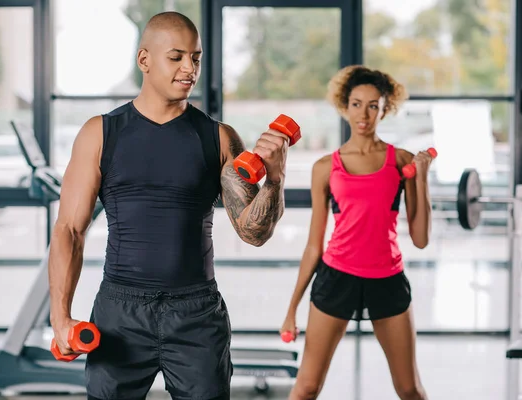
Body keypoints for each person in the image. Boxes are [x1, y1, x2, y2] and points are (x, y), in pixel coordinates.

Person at [48, 11, 291, 400]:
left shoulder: (219, 138)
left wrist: (275, 180)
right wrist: (59, 317)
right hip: (120, 311)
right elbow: (69, 231)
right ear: (144, 60)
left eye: (195, 58)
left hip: (196, 314)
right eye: (176, 57)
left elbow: (253, 232)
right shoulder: (100, 133)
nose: (189, 68)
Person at [280, 65, 433, 400]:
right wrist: (292, 309)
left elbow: (420, 239)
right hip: (336, 277)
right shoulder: (325, 167)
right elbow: (312, 246)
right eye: (356, 104)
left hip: (387, 279)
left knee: (410, 389)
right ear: (344, 106)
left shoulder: (401, 161)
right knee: (306, 387)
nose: (364, 114)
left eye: (373, 105)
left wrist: (421, 178)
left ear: (384, 108)